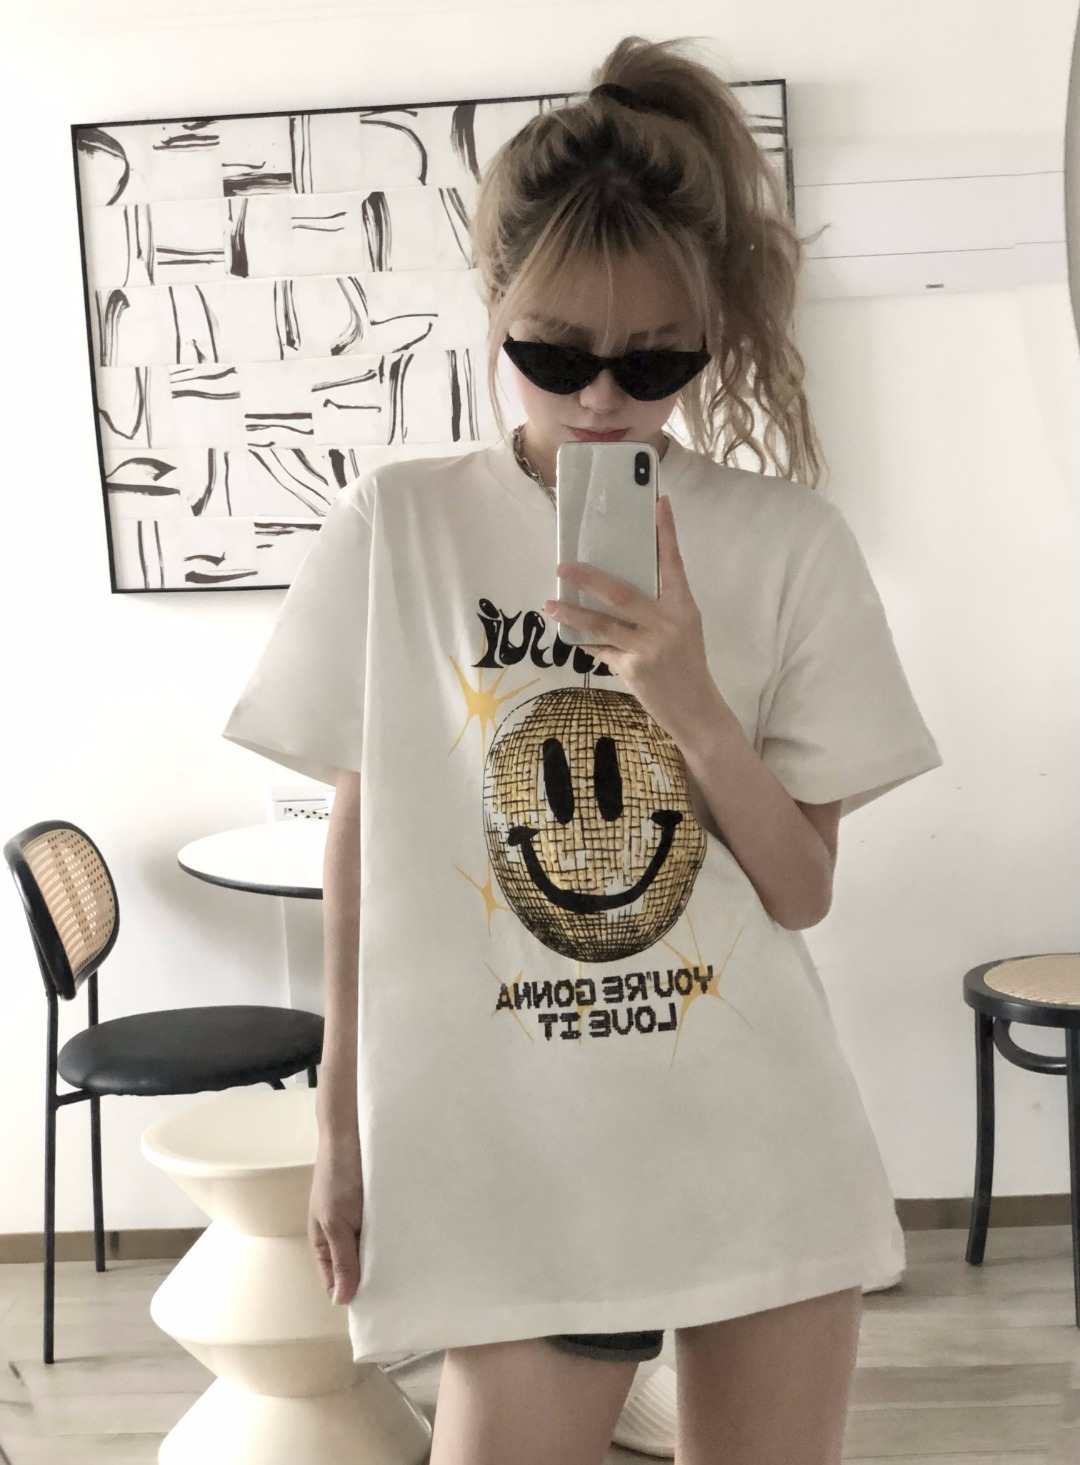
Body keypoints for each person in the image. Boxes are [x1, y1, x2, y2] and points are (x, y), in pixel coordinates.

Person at [221, 33, 942, 1465]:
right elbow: (364, 834)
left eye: (656, 359)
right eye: (554, 355)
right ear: (493, 304)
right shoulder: (400, 527)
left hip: (753, 1131)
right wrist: (338, 1127)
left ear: (709, 332)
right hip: (512, 1152)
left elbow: (800, 890)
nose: (604, 399)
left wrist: (685, 692)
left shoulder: (787, 543)